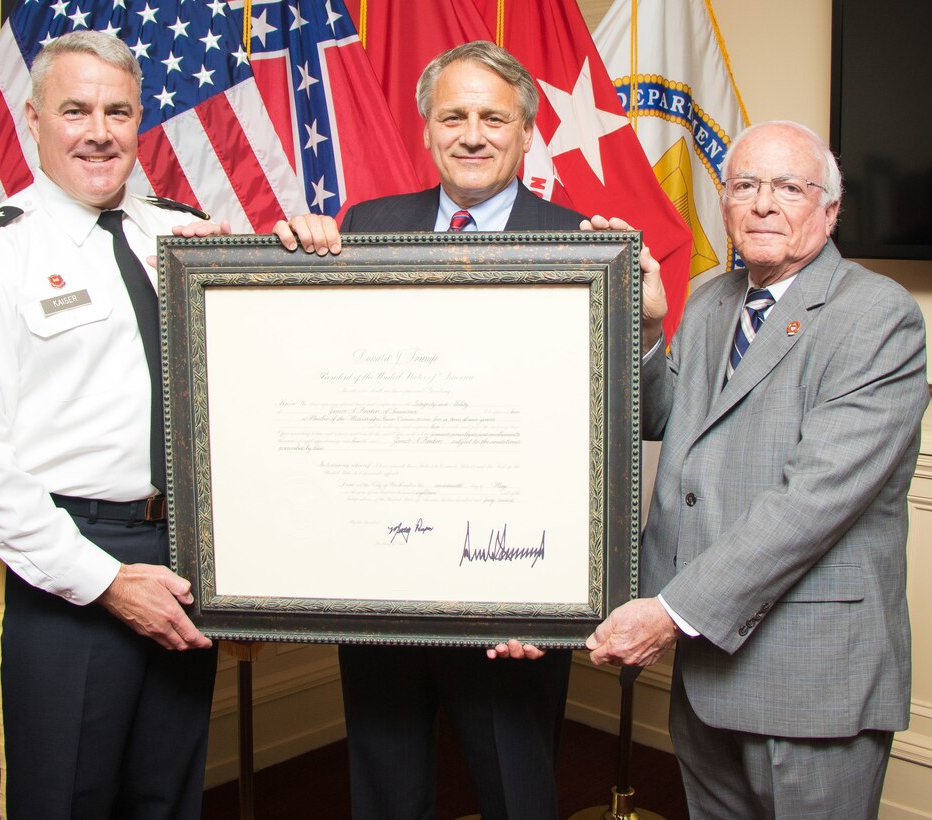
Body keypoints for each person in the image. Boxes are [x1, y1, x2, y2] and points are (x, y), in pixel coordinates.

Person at [0, 31, 339, 820]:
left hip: (177, 555)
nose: (98, 131)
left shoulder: (182, 234)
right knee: (59, 799)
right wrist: (106, 582)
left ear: (141, 119)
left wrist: (298, 258)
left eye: (118, 111)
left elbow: (259, 377)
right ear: (33, 119)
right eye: (75, 110)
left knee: (167, 794)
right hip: (56, 566)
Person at [586, 121, 928, 819]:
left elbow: (811, 503)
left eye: (788, 187)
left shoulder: (876, 316)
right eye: (744, 185)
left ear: (829, 210)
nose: (763, 204)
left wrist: (668, 613)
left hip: (810, 677)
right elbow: (667, 422)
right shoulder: (715, 299)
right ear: (724, 204)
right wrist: (649, 331)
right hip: (706, 672)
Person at [335, 41, 586, 820]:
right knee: (384, 790)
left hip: (511, 588)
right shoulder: (365, 227)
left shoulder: (584, 240)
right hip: (383, 581)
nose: (471, 134)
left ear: (524, 132)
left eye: (492, 117)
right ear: (426, 129)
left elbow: (596, 433)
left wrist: (550, 595)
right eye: (453, 116)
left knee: (516, 792)